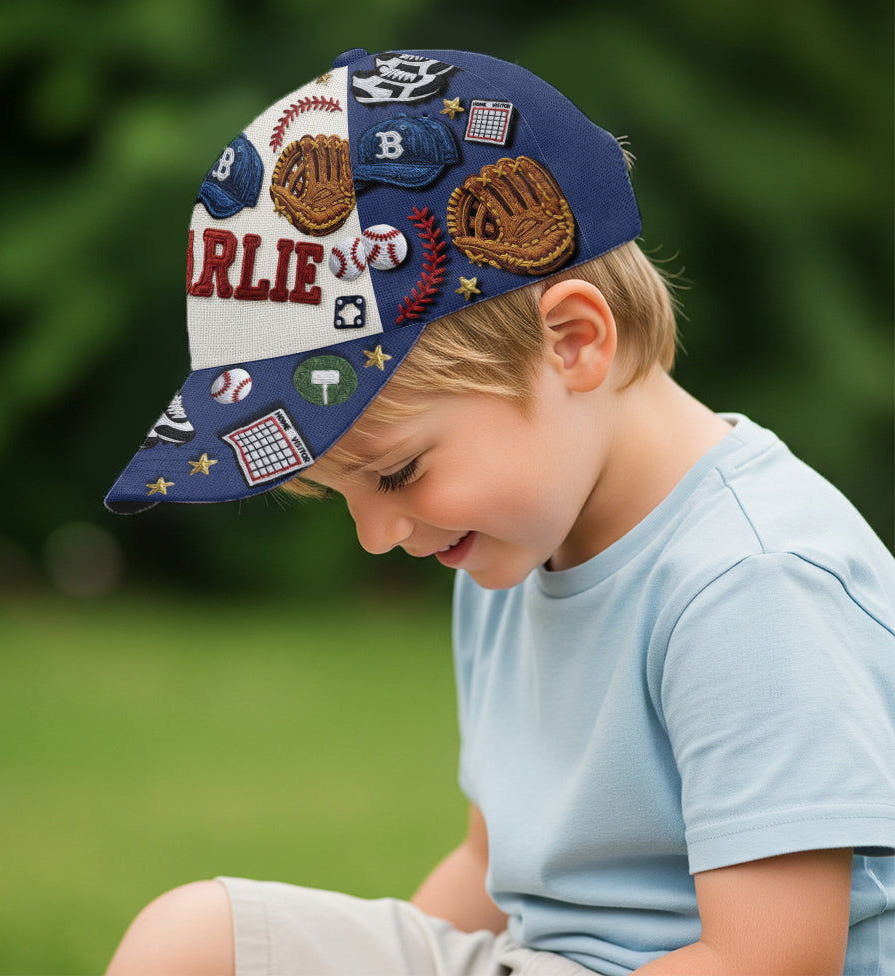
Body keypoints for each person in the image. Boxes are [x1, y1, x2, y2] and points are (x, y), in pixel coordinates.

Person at [103, 48, 895, 975]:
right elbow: (491, 870)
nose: (375, 536)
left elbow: (771, 960)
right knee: (193, 942)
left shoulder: (749, 580)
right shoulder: (505, 547)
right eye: (342, 495)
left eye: (395, 475)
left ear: (572, 342)